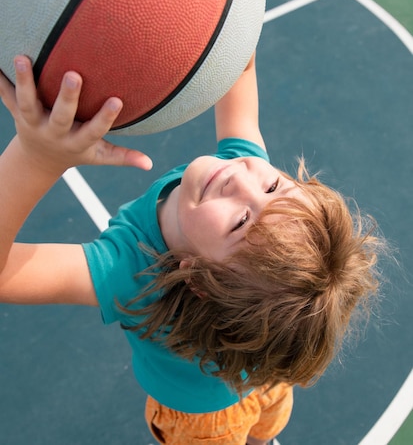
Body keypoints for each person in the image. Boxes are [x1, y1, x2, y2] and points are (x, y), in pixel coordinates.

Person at [0, 54, 381, 445]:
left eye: (240, 222)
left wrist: (36, 156)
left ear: (197, 278)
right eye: (274, 188)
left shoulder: (131, 270)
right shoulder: (242, 169)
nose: (241, 179)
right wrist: (228, 9)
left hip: (204, 422)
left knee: (259, 426)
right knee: (266, 427)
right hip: (266, 376)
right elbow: (241, 65)